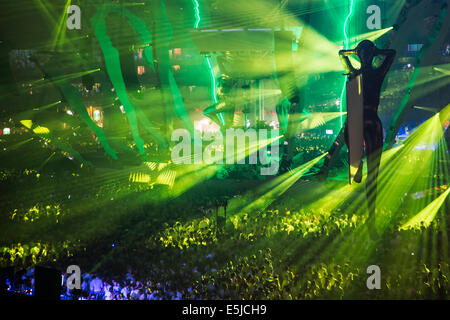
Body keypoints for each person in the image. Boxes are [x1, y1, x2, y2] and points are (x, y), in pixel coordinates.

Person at [319, 40, 396, 219]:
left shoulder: (353, 74)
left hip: (358, 120)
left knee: (352, 143)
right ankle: (371, 213)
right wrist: (376, 51)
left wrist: (354, 51)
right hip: (370, 120)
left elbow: (341, 55)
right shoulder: (377, 73)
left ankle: (357, 164)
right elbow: (391, 53)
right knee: (373, 172)